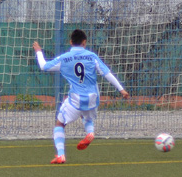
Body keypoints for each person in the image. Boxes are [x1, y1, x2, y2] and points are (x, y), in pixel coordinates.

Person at [33, 29, 130, 164]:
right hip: (92, 98)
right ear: (84, 43)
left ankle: (61, 155)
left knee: (60, 124)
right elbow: (106, 73)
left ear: (71, 42)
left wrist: (38, 51)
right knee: (88, 118)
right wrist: (121, 89)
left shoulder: (64, 58)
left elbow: (44, 66)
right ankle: (90, 133)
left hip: (75, 99)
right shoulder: (91, 56)